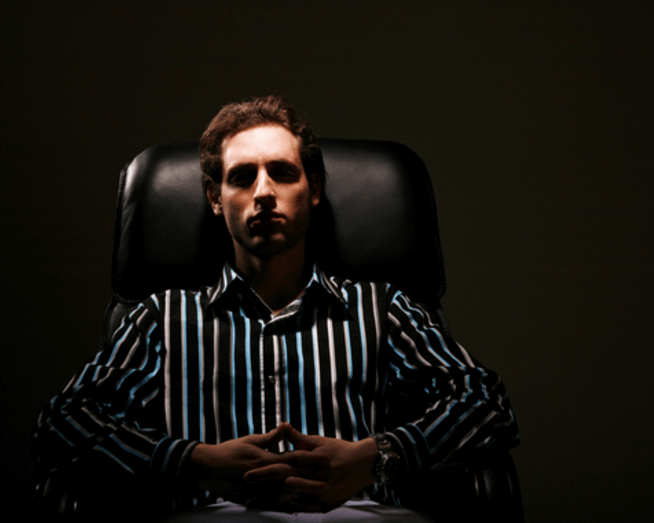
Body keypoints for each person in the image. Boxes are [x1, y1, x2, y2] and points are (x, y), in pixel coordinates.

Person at [33, 95, 519, 521]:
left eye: (282, 173)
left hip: (356, 513)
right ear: (215, 199)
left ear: (314, 190)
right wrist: (191, 462)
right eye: (242, 178)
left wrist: (376, 459)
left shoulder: (380, 307)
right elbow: (63, 422)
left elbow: (487, 404)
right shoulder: (163, 317)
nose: (263, 192)